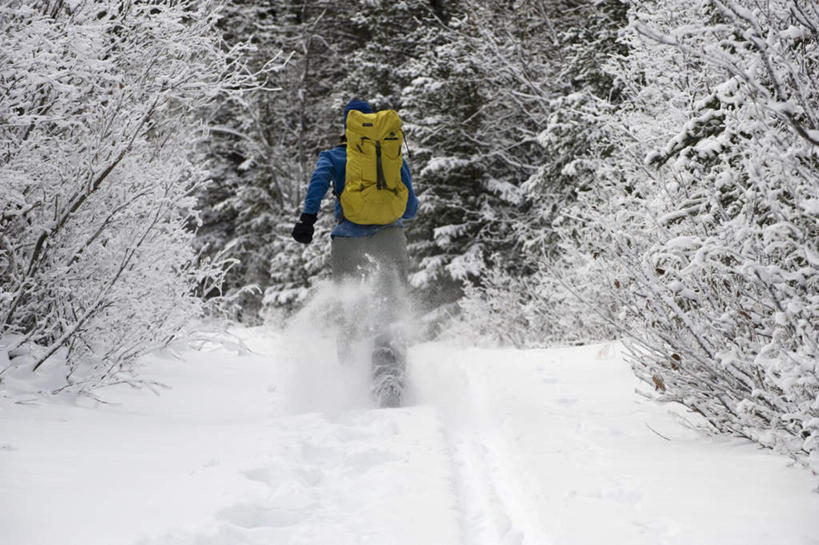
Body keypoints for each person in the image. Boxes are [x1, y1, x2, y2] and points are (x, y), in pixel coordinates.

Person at [291, 99, 419, 407]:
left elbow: (317, 187)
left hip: (347, 240)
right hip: (390, 237)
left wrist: (307, 220)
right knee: (391, 302)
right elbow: (411, 208)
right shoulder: (392, 155)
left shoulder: (333, 156)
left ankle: (350, 377)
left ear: (347, 125)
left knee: (349, 305)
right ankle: (389, 376)